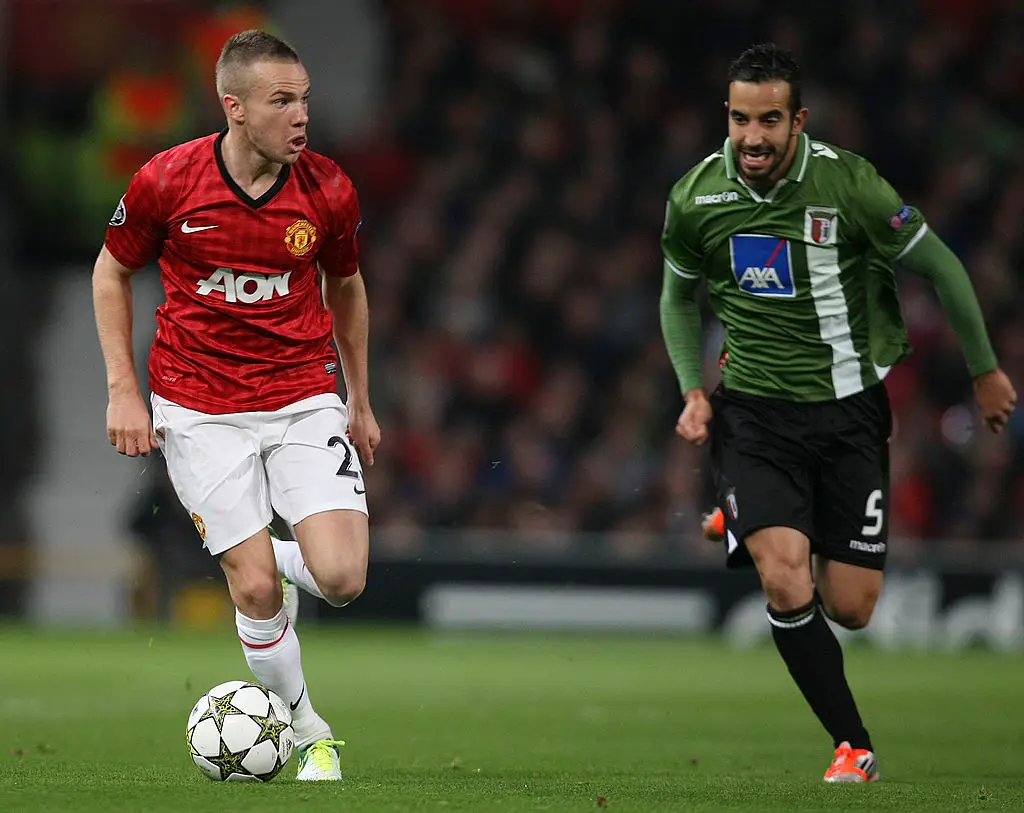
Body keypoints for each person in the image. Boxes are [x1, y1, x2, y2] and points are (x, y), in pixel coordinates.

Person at [660, 43, 1016, 783]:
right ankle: (852, 743)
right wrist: (694, 388)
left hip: (850, 412)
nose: (752, 137)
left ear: (798, 120)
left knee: (852, 606)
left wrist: (984, 372)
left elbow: (942, 265)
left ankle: (751, 514)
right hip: (752, 413)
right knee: (786, 577)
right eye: (738, 119)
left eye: (768, 120)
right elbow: (675, 296)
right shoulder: (697, 196)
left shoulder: (849, 185)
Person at [92, 29, 380, 781]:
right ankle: (311, 728)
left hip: (301, 396)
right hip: (197, 405)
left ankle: (277, 551)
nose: (301, 116)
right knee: (253, 588)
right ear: (235, 108)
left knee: (344, 579)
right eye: (283, 101)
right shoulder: (168, 180)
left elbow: (346, 288)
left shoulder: (329, 191)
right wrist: (125, 389)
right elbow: (109, 272)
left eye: (305, 99)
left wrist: (361, 398)